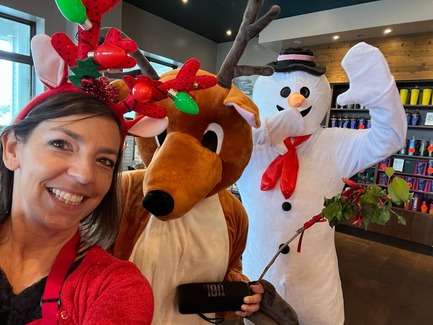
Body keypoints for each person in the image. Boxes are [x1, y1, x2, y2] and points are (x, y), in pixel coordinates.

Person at [0, 91, 154, 324]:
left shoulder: (116, 286)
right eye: (61, 144)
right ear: (12, 149)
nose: (84, 175)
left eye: (104, 161)